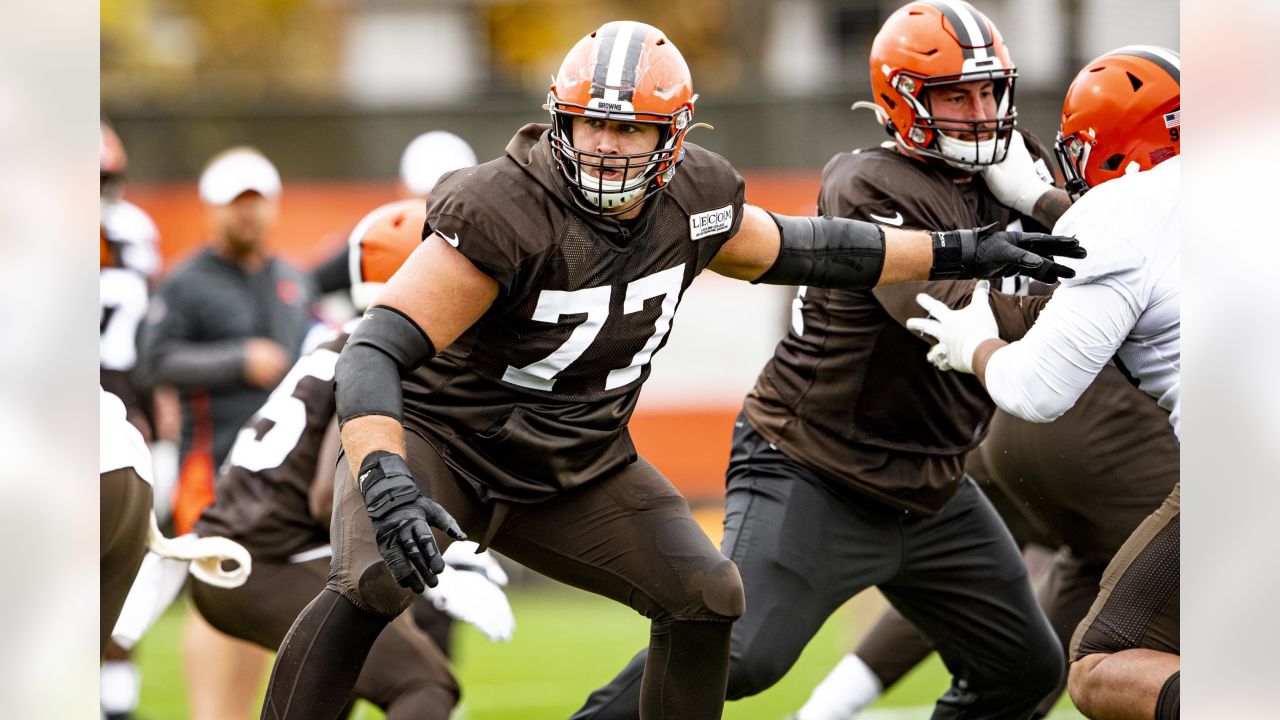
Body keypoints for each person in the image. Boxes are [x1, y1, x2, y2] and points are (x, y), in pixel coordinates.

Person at [259, 19, 1082, 720]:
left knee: (709, 599)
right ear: (559, 123)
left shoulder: (695, 197)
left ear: (674, 137)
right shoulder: (501, 205)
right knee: (371, 581)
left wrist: (957, 248)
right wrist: (385, 474)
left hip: (574, 465)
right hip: (449, 446)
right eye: (592, 126)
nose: (608, 148)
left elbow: (810, 248)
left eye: (631, 131)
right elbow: (374, 348)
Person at [576, 4, 1083, 719]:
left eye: (987, 92)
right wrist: (1079, 299)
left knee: (1025, 670)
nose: (978, 112)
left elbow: (1124, 256)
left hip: (933, 482)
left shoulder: (1014, 172)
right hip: (816, 471)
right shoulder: (870, 183)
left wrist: (1045, 200)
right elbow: (951, 317)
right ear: (902, 100)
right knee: (742, 655)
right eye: (952, 95)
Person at [908, 46, 1181, 720]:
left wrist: (975, 347)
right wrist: (1037, 199)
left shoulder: (1122, 212)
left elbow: (1038, 391)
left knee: (1102, 663)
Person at [188, 201, 511, 719]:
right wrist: (439, 561)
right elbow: (327, 497)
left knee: (337, 683)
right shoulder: (384, 363)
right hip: (267, 563)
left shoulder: (340, 344)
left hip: (238, 552)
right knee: (423, 685)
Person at [139, 146, 314, 720]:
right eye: (236, 204)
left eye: (256, 202)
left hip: (280, 471)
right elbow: (156, 361)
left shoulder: (290, 277)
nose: (248, 215)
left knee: (260, 592)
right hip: (209, 465)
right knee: (219, 589)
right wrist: (236, 359)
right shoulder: (186, 283)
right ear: (213, 209)